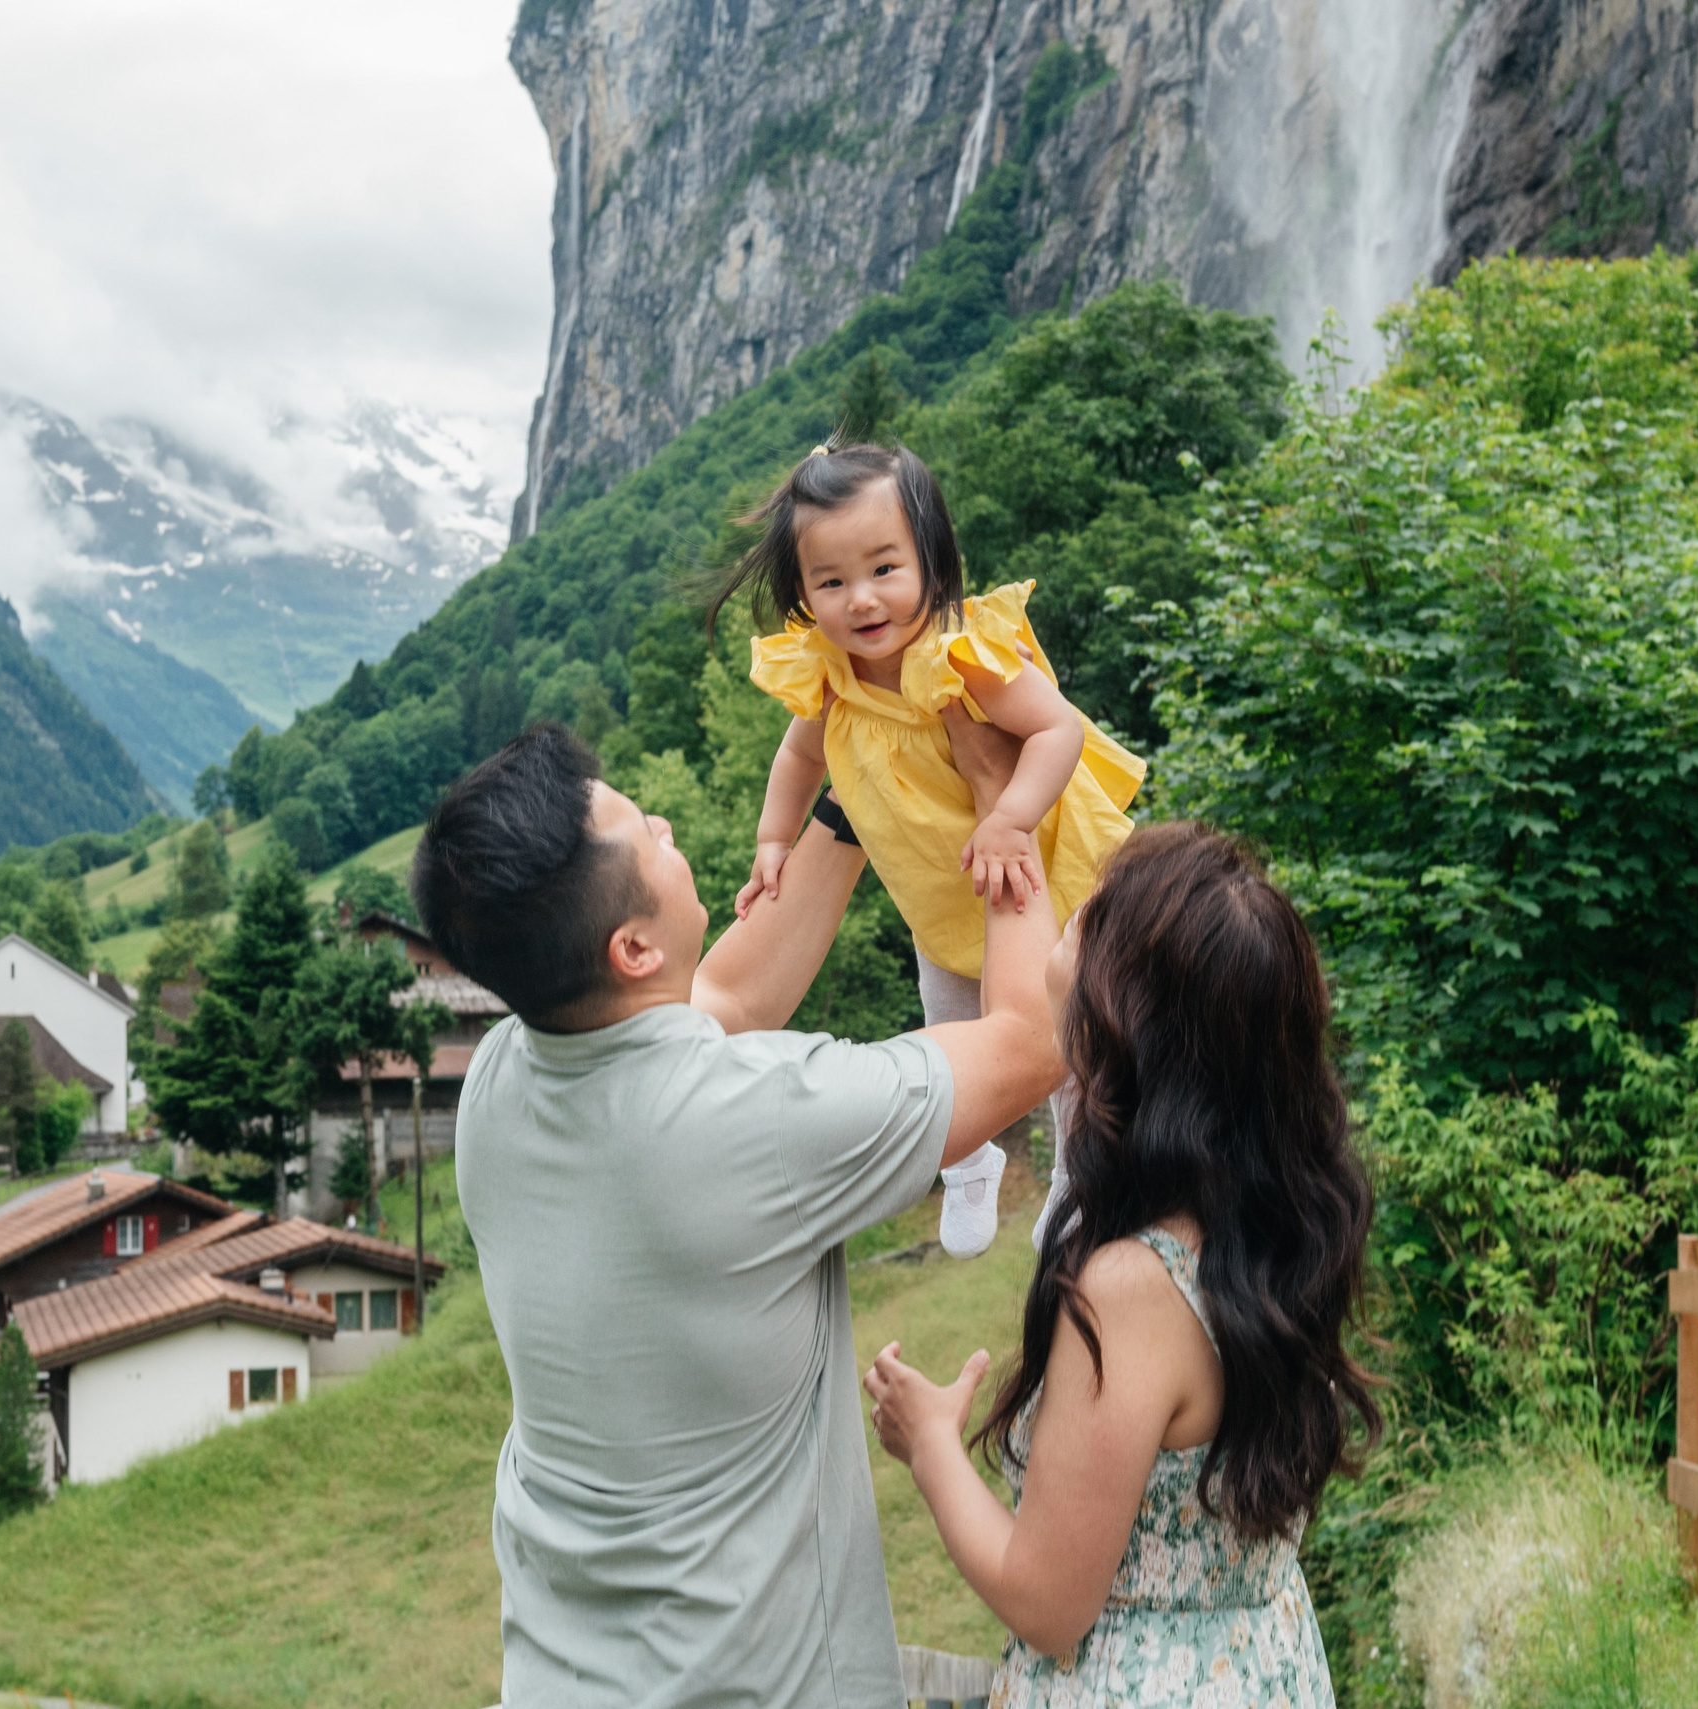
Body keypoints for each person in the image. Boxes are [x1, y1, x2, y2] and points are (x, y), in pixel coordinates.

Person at [414, 721, 1063, 1709]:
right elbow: (1027, 1041)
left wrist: (853, 792)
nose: (667, 821)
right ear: (630, 944)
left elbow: (729, 990)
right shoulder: (761, 1116)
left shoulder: (502, 1073)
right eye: (647, 831)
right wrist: (990, 790)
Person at [864, 824, 1383, 1707]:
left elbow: (1048, 1602)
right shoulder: (1274, 1231)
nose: (1063, 925)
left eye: (1083, 921)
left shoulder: (1128, 1289)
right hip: (1264, 1665)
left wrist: (931, 1444)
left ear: (1125, 1022)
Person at [725, 441, 1145, 1259]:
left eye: (885, 567)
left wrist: (1012, 817)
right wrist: (773, 840)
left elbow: (1056, 728)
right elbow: (799, 759)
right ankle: (970, 1167)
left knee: (1071, 1042)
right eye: (832, 581)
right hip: (938, 901)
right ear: (804, 594)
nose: (862, 599)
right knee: (951, 1040)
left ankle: (1075, 1185)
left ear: (933, 559)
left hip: (1038, 883)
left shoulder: (962, 656)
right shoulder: (831, 676)